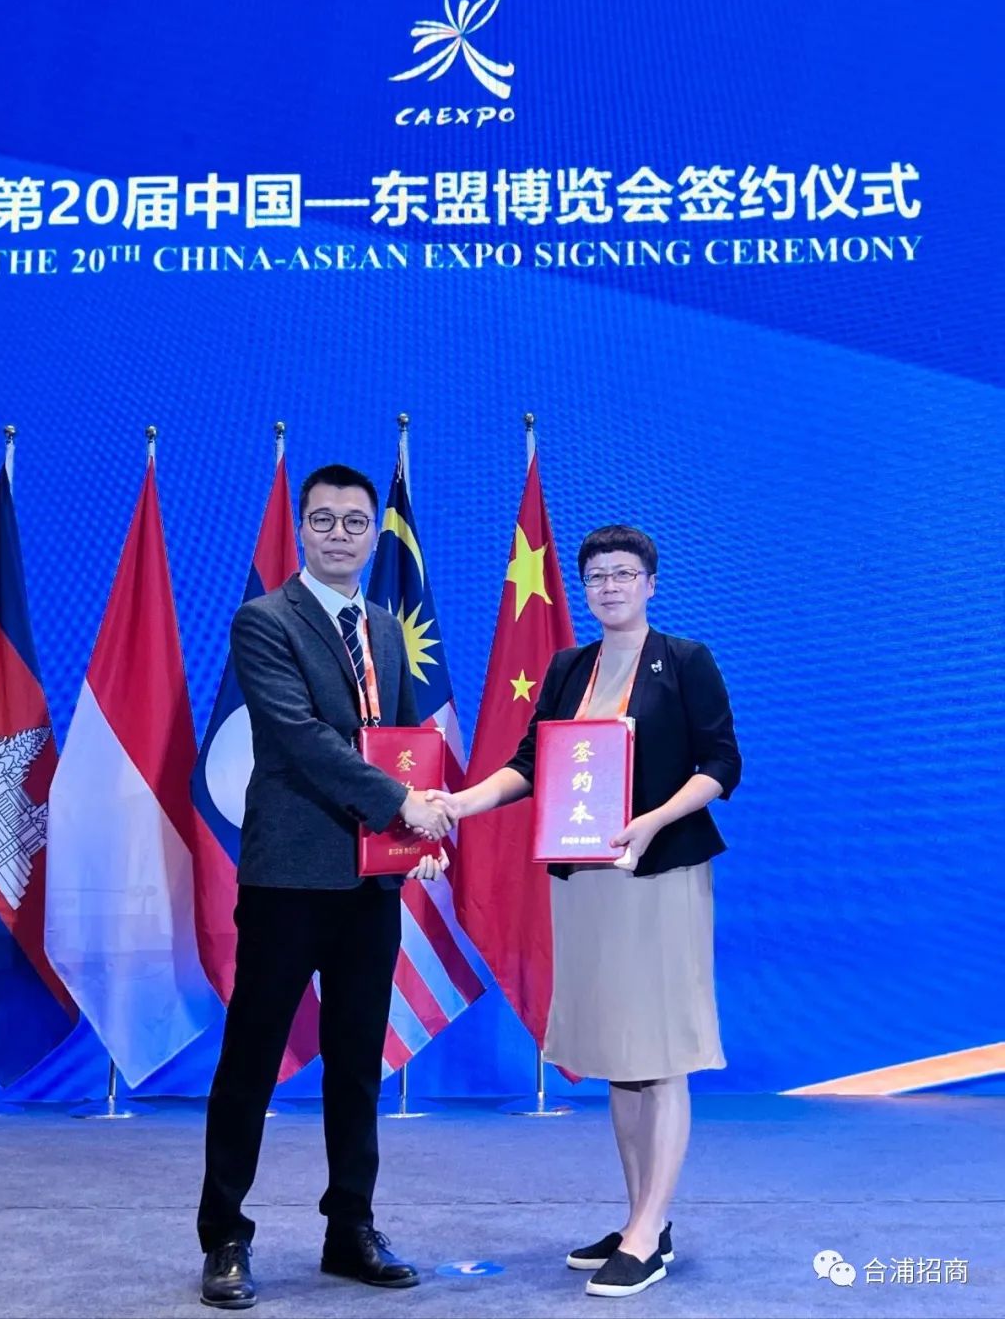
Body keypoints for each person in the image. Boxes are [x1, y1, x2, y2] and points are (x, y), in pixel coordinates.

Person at [439, 524, 740, 1299]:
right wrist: (461, 803)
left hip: (659, 872)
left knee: (660, 1050)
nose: (610, 586)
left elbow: (721, 763)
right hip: (586, 882)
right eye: (598, 576)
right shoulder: (568, 667)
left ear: (651, 583)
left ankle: (648, 1231)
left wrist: (653, 821)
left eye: (624, 573)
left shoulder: (686, 660)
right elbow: (531, 764)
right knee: (620, 1052)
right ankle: (643, 1217)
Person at [197, 463, 452, 1309]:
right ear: (300, 529)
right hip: (289, 877)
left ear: (374, 533)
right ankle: (225, 1235)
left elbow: (400, 745)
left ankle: (351, 1228)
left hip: (371, 882)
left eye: (353, 521)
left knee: (356, 1063)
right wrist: (402, 805)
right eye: (323, 520)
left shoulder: (384, 628)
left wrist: (416, 837)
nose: (339, 534)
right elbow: (300, 737)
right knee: (252, 1058)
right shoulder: (264, 620)